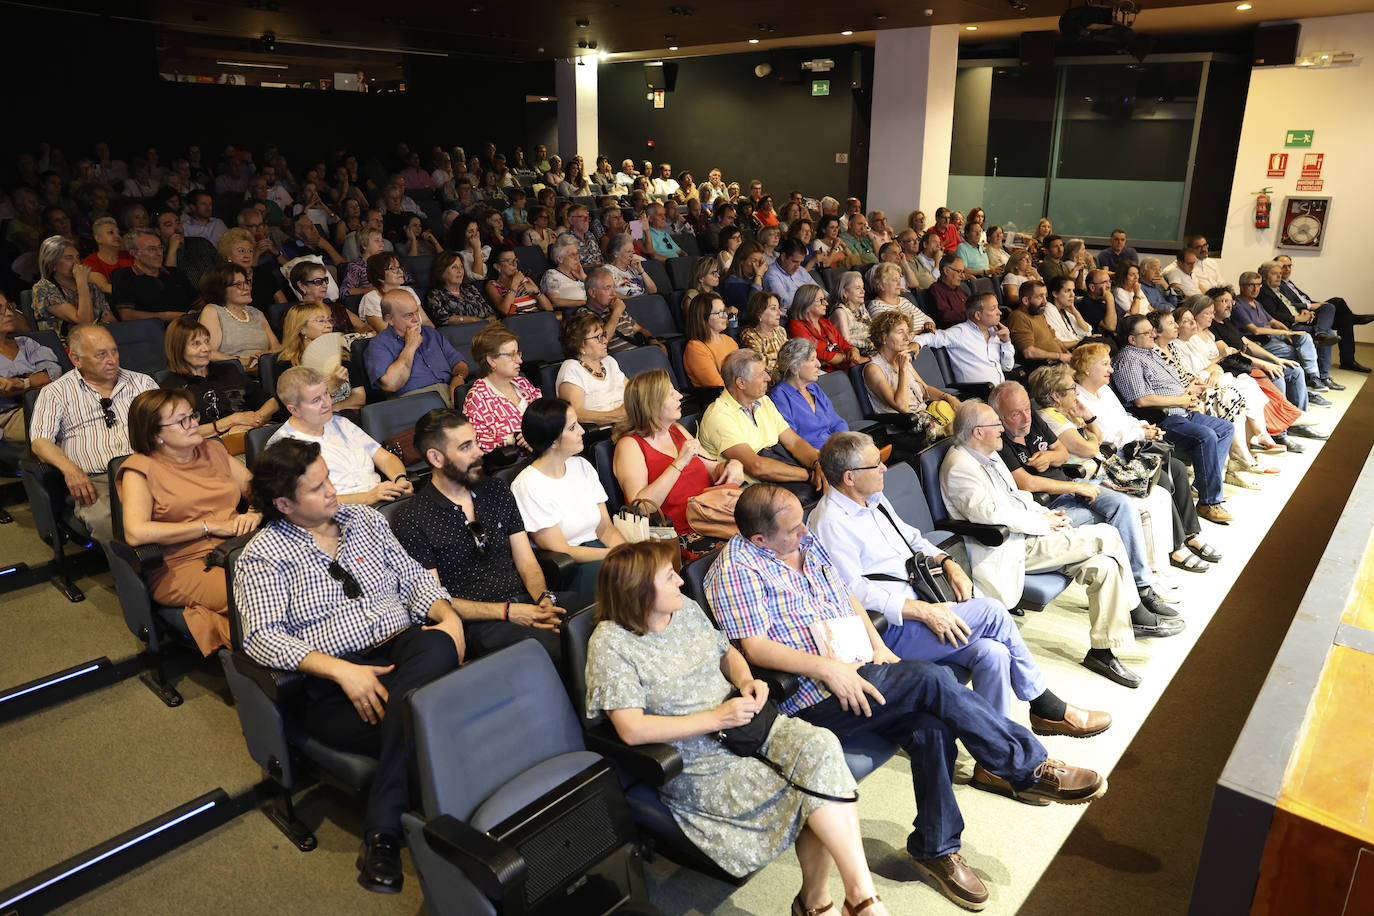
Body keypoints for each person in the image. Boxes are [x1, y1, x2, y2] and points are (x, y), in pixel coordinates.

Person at [707, 483, 1107, 911]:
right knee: (931, 680)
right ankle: (1027, 767)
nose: (805, 533)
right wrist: (829, 669)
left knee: (931, 726)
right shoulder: (736, 570)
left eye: (802, 524)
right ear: (759, 540)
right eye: (792, 531)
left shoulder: (804, 543)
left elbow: (842, 595)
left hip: (862, 667)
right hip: (811, 697)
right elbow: (754, 648)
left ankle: (935, 847)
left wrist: (875, 643)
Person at [586, 540, 891, 915]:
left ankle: (852, 897)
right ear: (639, 591)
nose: (681, 583)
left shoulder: (684, 611)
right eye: (669, 577)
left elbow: (727, 652)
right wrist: (717, 718)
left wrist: (747, 680)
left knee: (820, 747)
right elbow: (631, 730)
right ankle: (833, 904)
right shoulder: (610, 644)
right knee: (811, 794)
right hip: (694, 756)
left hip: (744, 723)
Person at [235, 437, 465, 894]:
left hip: (402, 651)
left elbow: (413, 577)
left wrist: (448, 615)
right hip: (333, 685)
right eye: (318, 487)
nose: (334, 491)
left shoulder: (364, 520)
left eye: (330, 479)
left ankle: (383, 830)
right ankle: (456, 820)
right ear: (284, 503)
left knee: (436, 647)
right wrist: (342, 671)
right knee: (434, 713)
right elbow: (260, 637)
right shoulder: (261, 556)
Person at [811, 431, 1111, 733]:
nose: (884, 468)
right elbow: (851, 592)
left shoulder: (873, 499)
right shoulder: (830, 522)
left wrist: (947, 562)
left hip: (925, 600)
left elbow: (913, 539)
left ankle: (994, 757)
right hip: (891, 629)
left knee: (994, 654)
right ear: (849, 478)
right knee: (992, 612)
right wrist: (921, 611)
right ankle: (1045, 705)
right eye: (875, 464)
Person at [940, 402, 1169, 687]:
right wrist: (1043, 524)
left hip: (1029, 534)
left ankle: (1102, 651)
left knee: (1105, 566)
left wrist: (1045, 513)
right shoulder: (960, 467)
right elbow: (989, 515)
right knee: (1106, 535)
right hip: (1008, 547)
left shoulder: (988, 454)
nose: (1002, 428)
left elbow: (1017, 496)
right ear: (978, 432)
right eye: (995, 424)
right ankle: (1136, 610)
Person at [392, 408, 568, 666]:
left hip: (527, 603)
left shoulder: (495, 489)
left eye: (476, 442)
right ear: (436, 458)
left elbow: (526, 560)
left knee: (602, 617)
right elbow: (435, 600)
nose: (479, 452)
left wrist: (543, 601)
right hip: (479, 622)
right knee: (557, 648)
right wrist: (508, 612)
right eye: (466, 447)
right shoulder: (412, 517)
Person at [988, 380, 1177, 616]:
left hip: (1070, 487)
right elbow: (1025, 482)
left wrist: (1049, 457)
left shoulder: (1033, 419)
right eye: (1016, 414)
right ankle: (1134, 604)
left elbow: (1063, 452)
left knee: (1124, 505)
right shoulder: (997, 440)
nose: (1025, 417)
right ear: (999, 416)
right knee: (1110, 522)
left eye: (1026, 408)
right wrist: (1073, 487)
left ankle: (1142, 586)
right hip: (1046, 506)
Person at [117, 388, 258, 656]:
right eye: (183, 421)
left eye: (192, 415)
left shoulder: (212, 449)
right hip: (183, 563)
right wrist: (209, 526)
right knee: (259, 597)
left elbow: (260, 491)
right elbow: (136, 533)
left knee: (301, 580)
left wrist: (255, 512)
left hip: (238, 545)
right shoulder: (140, 469)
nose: (195, 423)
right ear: (155, 434)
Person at [30, 324, 159, 542]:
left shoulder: (142, 383)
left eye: (114, 351)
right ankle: (137, 573)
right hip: (97, 481)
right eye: (101, 354)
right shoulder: (55, 393)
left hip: (149, 470)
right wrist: (70, 470)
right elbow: (40, 441)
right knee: (110, 523)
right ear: (76, 359)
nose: (112, 360)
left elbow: (169, 425)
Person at [1112, 315, 1236, 525]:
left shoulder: (1150, 353)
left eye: (1152, 330)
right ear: (1132, 340)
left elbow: (1170, 384)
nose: (1153, 334)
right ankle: (1208, 502)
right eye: (1147, 332)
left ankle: (1201, 484)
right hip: (1162, 419)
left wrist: (1188, 391)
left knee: (1225, 428)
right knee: (1206, 436)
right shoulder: (1129, 359)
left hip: (1182, 409)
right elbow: (1141, 400)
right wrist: (1179, 399)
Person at [511, 397, 627, 604]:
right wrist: (613, 555)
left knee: (649, 572)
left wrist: (626, 552)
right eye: (573, 427)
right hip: (572, 566)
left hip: (602, 551)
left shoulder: (581, 466)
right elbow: (562, 550)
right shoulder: (527, 485)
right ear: (554, 440)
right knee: (629, 587)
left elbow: (606, 528)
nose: (582, 431)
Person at [612, 370, 744, 536]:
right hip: (678, 534)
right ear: (651, 403)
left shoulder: (677, 430)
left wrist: (732, 465)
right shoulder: (629, 445)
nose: (680, 396)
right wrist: (679, 463)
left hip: (712, 517)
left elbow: (713, 469)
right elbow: (642, 507)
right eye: (670, 394)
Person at [268, 367, 411, 505]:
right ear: (294, 410)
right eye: (316, 400)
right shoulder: (282, 446)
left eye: (326, 394)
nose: (327, 403)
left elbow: (385, 458)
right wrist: (367, 497)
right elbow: (304, 503)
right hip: (338, 517)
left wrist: (400, 480)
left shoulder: (340, 423)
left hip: (381, 501)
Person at [697, 349, 826, 498]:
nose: (768, 378)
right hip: (754, 494)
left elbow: (794, 442)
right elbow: (756, 467)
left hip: (783, 477)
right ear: (741, 383)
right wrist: (809, 475)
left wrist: (817, 464)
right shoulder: (719, 416)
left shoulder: (763, 400)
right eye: (761, 374)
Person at [162, 315, 277, 441]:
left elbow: (272, 402)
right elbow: (178, 433)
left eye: (206, 341)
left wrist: (254, 420)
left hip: (250, 434)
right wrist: (231, 422)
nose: (206, 349)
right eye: (196, 344)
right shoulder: (172, 387)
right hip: (209, 447)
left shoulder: (228, 370)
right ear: (178, 349)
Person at [863, 311, 960, 451]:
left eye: (908, 332)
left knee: (966, 423)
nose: (907, 337)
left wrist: (949, 398)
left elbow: (925, 390)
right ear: (883, 337)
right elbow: (902, 407)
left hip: (926, 419)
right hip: (903, 430)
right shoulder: (873, 369)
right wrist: (902, 370)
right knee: (958, 437)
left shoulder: (902, 360)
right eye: (900, 332)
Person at [364, 289, 468, 403]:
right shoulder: (378, 344)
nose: (417, 319)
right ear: (390, 319)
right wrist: (410, 346)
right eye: (409, 315)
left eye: (416, 312)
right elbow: (391, 384)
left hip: (451, 391)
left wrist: (459, 377)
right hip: (415, 401)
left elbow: (459, 363)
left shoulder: (430, 333)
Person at [1276, 253, 1373, 373]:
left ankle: (1348, 361)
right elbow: (1287, 305)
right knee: (1337, 302)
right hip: (1304, 315)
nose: (1287, 269)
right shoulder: (1276, 284)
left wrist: (1316, 304)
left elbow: (1305, 300)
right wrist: (1310, 306)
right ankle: (1352, 321)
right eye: (1284, 266)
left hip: (1312, 311)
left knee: (1345, 320)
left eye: (1290, 266)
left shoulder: (1289, 282)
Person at [1256, 259, 1340, 390]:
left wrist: (1305, 311)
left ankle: (1321, 335)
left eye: (1280, 273)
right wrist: (1297, 318)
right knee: (1326, 332)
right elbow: (1272, 315)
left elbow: (1293, 304)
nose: (1279, 275)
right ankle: (1322, 376)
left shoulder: (1279, 289)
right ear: (1265, 276)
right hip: (1290, 325)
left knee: (1329, 309)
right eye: (1275, 273)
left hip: (1298, 320)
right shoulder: (1263, 292)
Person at [463, 323, 544, 454]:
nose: (519, 360)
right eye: (512, 355)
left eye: (518, 353)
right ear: (491, 360)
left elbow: (547, 413)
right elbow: (478, 443)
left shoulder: (522, 383)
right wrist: (516, 437)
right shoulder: (477, 398)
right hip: (517, 463)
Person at [276, 302, 366, 410]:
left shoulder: (342, 355)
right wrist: (332, 385)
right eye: (321, 321)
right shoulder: (288, 365)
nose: (329, 325)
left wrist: (333, 410)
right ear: (302, 329)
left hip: (345, 418)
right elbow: (300, 407)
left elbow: (360, 397)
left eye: (329, 320)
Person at [915, 295, 1015, 386]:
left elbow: (1007, 367)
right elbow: (931, 337)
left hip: (1000, 391)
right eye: (994, 309)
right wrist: (917, 343)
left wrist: (1006, 342)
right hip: (976, 396)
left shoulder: (996, 333)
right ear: (978, 315)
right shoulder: (960, 332)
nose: (1000, 312)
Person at [0, 295, 60, 442]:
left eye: (9, 307)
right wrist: (34, 381)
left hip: (46, 406)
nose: (8, 313)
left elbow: (52, 375)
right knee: (60, 428)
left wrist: (20, 384)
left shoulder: (26, 343)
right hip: (9, 417)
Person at [770, 339, 849, 450]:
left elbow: (836, 422)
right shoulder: (779, 397)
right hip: (813, 456)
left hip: (836, 448)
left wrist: (845, 443)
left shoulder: (813, 387)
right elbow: (793, 441)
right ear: (794, 368)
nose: (818, 364)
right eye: (812, 359)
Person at [197, 263, 279, 369]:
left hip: (264, 368)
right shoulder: (213, 311)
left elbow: (276, 347)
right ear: (220, 289)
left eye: (246, 282)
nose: (247, 288)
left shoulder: (256, 313)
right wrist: (243, 361)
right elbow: (209, 352)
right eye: (238, 284)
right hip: (233, 372)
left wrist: (265, 357)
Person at [33, 235, 115, 338]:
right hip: (63, 347)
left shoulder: (91, 287)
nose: (76, 262)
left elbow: (110, 320)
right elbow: (85, 322)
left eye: (77, 257)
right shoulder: (43, 288)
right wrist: (81, 281)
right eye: (69, 258)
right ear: (52, 264)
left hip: (96, 341)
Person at [111, 229, 198, 322]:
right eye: (152, 249)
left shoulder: (175, 273)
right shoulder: (125, 276)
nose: (159, 253)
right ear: (134, 253)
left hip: (188, 327)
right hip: (150, 332)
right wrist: (169, 316)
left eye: (160, 247)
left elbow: (199, 303)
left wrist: (198, 313)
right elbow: (127, 316)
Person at [556, 312, 627, 424]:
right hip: (601, 434)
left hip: (629, 424)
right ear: (579, 345)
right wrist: (618, 415)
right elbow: (576, 413)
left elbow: (635, 391)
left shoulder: (609, 362)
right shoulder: (571, 368)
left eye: (603, 335)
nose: (605, 341)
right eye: (598, 337)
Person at [788, 285, 864, 372]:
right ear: (807, 303)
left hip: (843, 367)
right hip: (824, 373)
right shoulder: (796, 326)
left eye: (825, 299)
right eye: (821, 300)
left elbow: (844, 344)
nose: (826, 303)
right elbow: (816, 353)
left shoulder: (825, 322)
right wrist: (845, 357)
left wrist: (853, 350)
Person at [423, 249, 497, 326]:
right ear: (441, 273)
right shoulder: (435, 294)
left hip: (487, 329)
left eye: (461, 266)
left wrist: (489, 320)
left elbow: (490, 312)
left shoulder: (470, 288)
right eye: (454, 267)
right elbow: (442, 318)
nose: (460, 271)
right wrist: (473, 320)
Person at [1008, 279, 1073, 364]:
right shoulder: (1018, 317)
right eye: (1040, 297)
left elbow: (1054, 339)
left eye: (1045, 296)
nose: (1045, 301)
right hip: (1044, 367)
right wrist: (1060, 356)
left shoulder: (1038, 313)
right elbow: (1029, 352)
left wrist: (1067, 353)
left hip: (1059, 362)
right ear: (1025, 300)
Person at [682, 292, 739, 390]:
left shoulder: (729, 340)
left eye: (724, 311)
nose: (725, 316)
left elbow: (744, 372)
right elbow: (718, 387)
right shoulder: (695, 348)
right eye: (719, 313)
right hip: (720, 401)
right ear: (703, 317)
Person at [358, 251, 425, 334]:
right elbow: (386, 333)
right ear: (379, 276)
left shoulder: (408, 291)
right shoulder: (372, 298)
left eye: (399, 267)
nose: (400, 271)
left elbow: (426, 322)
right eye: (393, 268)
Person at [485, 245, 553, 316]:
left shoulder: (526, 280)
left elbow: (549, 308)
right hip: (518, 323)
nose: (515, 264)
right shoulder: (492, 285)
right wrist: (515, 283)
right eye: (509, 261)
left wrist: (536, 291)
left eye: (515, 260)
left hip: (538, 318)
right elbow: (505, 311)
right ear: (497, 266)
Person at [738, 290, 787, 380]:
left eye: (779, 308)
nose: (780, 313)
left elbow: (792, 355)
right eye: (773, 308)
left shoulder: (780, 331)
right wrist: (786, 361)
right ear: (759, 313)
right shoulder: (750, 335)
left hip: (786, 378)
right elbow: (762, 365)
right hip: (767, 382)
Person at [830, 271, 875, 357]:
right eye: (858, 288)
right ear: (845, 292)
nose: (863, 291)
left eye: (863, 287)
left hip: (870, 351)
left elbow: (871, 329)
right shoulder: (840, 311)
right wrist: (869, 344)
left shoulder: (861, 307)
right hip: (854, 355)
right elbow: (846, 340)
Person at [764, 239, 818, 308]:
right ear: (783, 257)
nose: (798, 266)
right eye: (795, 261)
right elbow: (786, 302)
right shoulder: (772, 274)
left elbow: (818, 290)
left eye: (800, 262)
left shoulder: (801, 271)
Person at [604, 233, 657, 298]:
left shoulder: (633, 268)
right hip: (629, 305)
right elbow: (607, 292)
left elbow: (653, 291)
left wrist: (641, 271)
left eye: (632, 252)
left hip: (645, 301)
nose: (632, 255)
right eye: (629, 252)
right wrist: (630, 300)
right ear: (616, 253)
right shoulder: (608, 270)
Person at [927, 255, 969, 328]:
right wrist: (970, 314)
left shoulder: (959, 289)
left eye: (963, 272)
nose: (963, 276)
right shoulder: (936, 290)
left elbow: (972, 305)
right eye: (959, 272)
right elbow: (946, 317)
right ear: (946, 271)